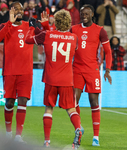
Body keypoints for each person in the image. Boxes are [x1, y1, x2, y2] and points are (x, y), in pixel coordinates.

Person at [25, 10, 83, 149]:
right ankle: (78, 128)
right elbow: (60, 40)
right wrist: (45, 27)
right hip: (67, 79)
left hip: (51, 78)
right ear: (69, 23)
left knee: (49, 109)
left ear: (55, 22)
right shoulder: (74, 37)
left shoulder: (47, 35)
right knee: (71, 109)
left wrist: (33, 27)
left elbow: (28, 39)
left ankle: (46, 142)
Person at [70, 4, 112, 146]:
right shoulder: (74, 29)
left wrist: (108, 69)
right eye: (82, 14)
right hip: (77, 69)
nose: (84, 16)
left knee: (93, 102)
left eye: (87, 14)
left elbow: (108, 51)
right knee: (73, 101)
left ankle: (96, 137)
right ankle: (79, 127)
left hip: (92, 70)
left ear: (92, 14)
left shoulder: (100, 31)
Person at [0, 1, 36, 142]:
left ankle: (18, 136)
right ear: (11, 10)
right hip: (10, 71)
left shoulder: (29, 26)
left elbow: (42, 38)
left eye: (21, 9)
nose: (18, 11)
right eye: (15, 9)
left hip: (26, 72)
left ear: (23, 11)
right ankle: (8, 132)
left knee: (23, 101)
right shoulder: (4, 26)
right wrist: (9, 24)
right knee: (10, 102)